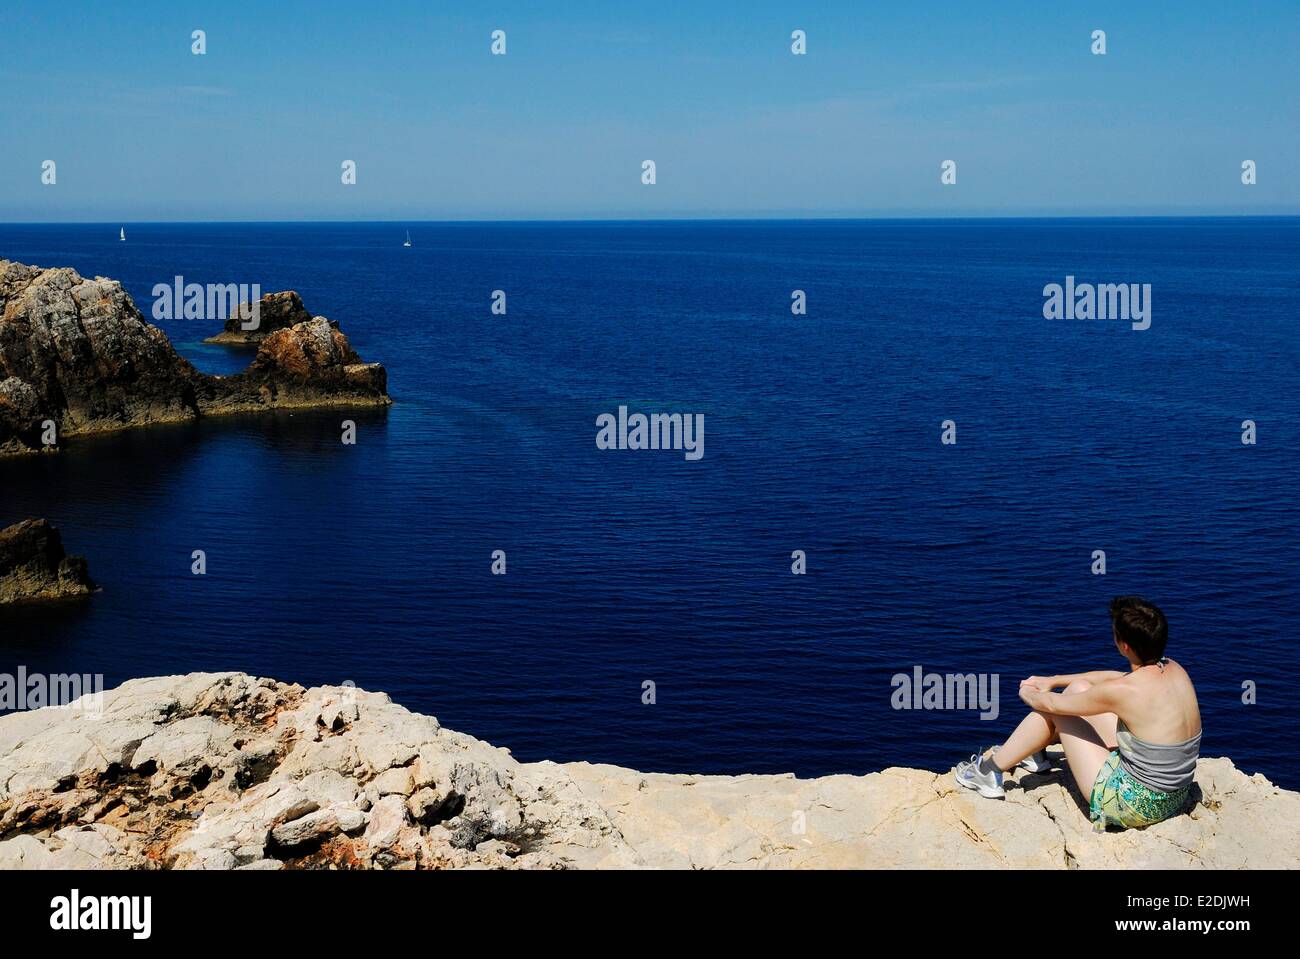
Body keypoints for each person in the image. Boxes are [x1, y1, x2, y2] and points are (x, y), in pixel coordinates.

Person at [955, 596, 1201, 830]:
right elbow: (1111, 680)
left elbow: (1053, 706)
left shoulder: (1125, 692)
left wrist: (1029, 693)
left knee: (1057, 709)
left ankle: (988, 772)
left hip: (1131, 805)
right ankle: (1033, 754)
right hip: (1175, 796)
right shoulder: (1173, 669)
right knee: (1079, 689)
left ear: (1123, 646)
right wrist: (1053, 680)